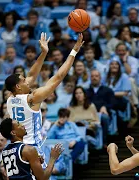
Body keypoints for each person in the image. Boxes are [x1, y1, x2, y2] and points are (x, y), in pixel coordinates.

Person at [5, 33, 84, 167]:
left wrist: (44, 53)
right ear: (18, 86)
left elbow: (31, 75)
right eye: (24, 81)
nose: (28, 82)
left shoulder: (10, 98)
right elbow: (59, 77)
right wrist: (74, 50)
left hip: (17, 149)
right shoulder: (33, 99)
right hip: (32, 149)